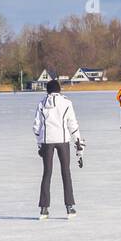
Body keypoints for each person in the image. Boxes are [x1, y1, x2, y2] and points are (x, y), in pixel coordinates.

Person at [32, 80, 83, 220]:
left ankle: (44, 209)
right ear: (59, 90)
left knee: (47, 173)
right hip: (63, 140)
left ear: (47, 90)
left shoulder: (42, 103)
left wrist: (39, 144)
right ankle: (70, 207)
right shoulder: (67, 103)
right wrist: (78, 141)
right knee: (65, 172)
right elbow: (72, 123)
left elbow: (36, 126)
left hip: (47, 141)